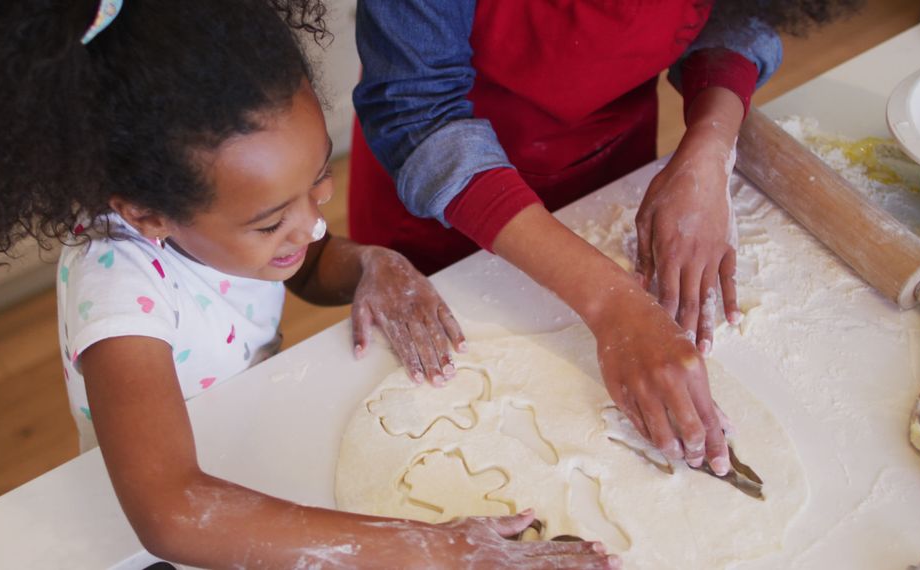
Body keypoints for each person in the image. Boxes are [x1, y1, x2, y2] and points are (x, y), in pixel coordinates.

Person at [0, 0, 623, 567]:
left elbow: (303, 268)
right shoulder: (116, 296)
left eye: (319, 182)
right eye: (271, 222)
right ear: (148, 214)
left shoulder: (255, 213)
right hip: (192, 515)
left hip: (260, 447)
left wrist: (363, 265)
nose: (306, 224)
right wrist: (430, 550)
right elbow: (171, 511)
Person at [350, 0, 858, 476]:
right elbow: (417, 109)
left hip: (607, 167)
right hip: (449, 206)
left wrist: (710, 146)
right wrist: (613, 302)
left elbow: (736, 14)